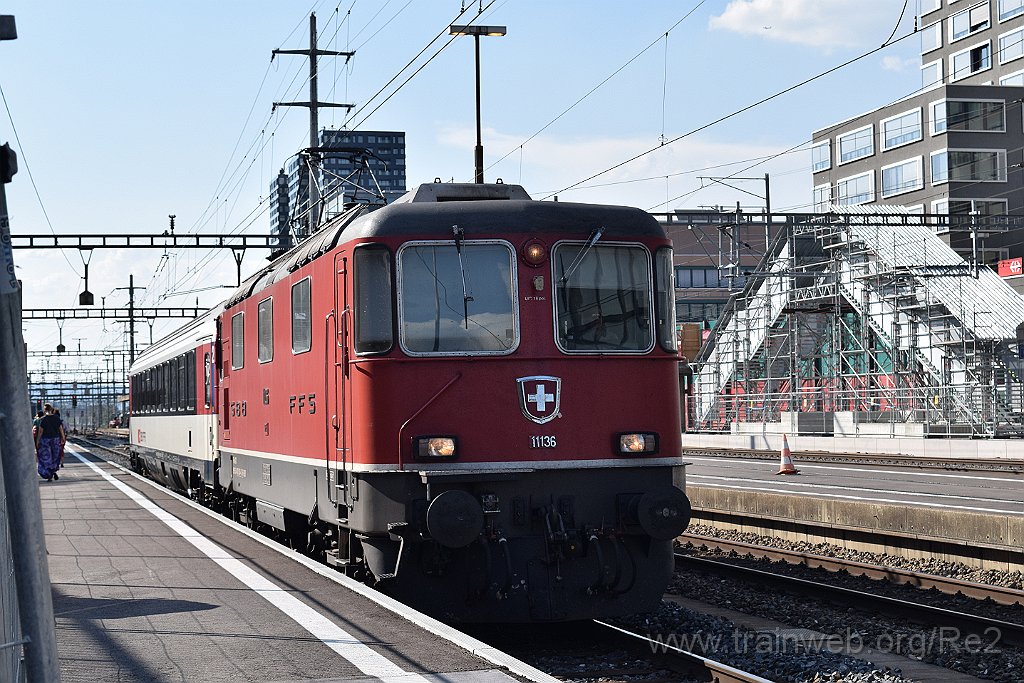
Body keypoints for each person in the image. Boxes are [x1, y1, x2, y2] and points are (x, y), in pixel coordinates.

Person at [35, 404, 65, 481]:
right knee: (54, 457)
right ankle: (53, 471)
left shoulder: (43, 419)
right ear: (52, 409)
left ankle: (49, 474)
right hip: (55, 439)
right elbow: (60, 429)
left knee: (46, 457)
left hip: (45, 440)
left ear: (45, 410)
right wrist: (63, 438)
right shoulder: (57, 418)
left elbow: (41, 431)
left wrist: (37, 441)